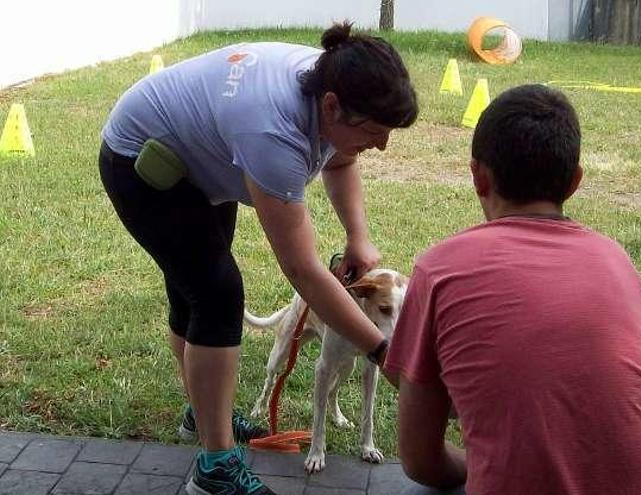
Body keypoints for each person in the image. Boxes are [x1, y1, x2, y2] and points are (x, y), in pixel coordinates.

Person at [99, 22, 417, 495]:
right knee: (217, 294)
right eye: (375, 130)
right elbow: (304, 271)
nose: (382, 145)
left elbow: (341, 157)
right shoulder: (272, 131)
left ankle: (203, 415)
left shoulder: (332, 81)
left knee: (198, 291)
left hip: (200, 156)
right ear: (332, 107)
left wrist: (358, 236)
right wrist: (381, 351)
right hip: (141, 163)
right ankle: (215, 468)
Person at [384, 85, 641, 495]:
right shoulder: (618, 261)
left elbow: (421, 460)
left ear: (479, 176)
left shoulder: (439, 271)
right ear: (575, 182)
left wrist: (481, 461)